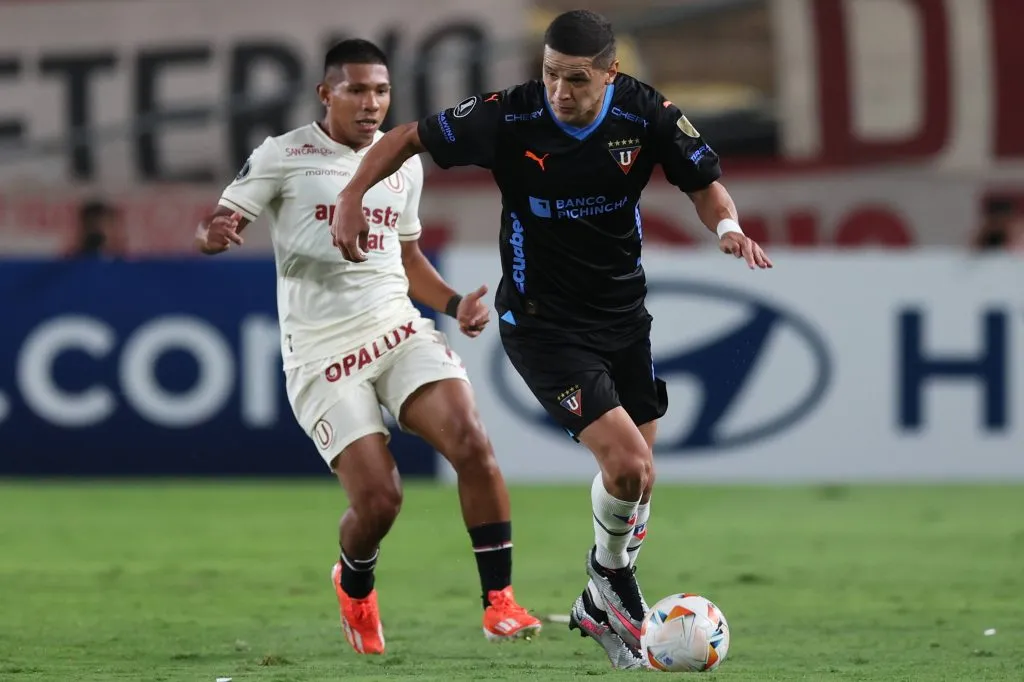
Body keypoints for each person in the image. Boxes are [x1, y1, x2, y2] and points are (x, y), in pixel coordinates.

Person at [328, 10, 772, 669]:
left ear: (611, 74)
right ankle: (610, 580)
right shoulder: (510, 115)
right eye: (550, 74)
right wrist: (352, 196)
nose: (560, 91)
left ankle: (598, 598)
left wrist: (728, 229)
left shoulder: (645, 114)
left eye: (577, 79)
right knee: (628, 465)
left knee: (638, 482)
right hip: (542, 325)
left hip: (623, 317)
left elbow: (704, 185)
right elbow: (407, 137)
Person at [193, 39, 541, 656]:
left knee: (471, 441)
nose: (371, 103)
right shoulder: (283, 154)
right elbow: (219, 220)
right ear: (325, 94)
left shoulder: (402, 163)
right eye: (356, 90)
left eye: (381, 90)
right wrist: (213, 233)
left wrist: (453, 303)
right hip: (321, 353)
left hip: (397, 329)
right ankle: (353, 582)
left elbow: (406, 258)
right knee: (381, 500)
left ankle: (500, 602)